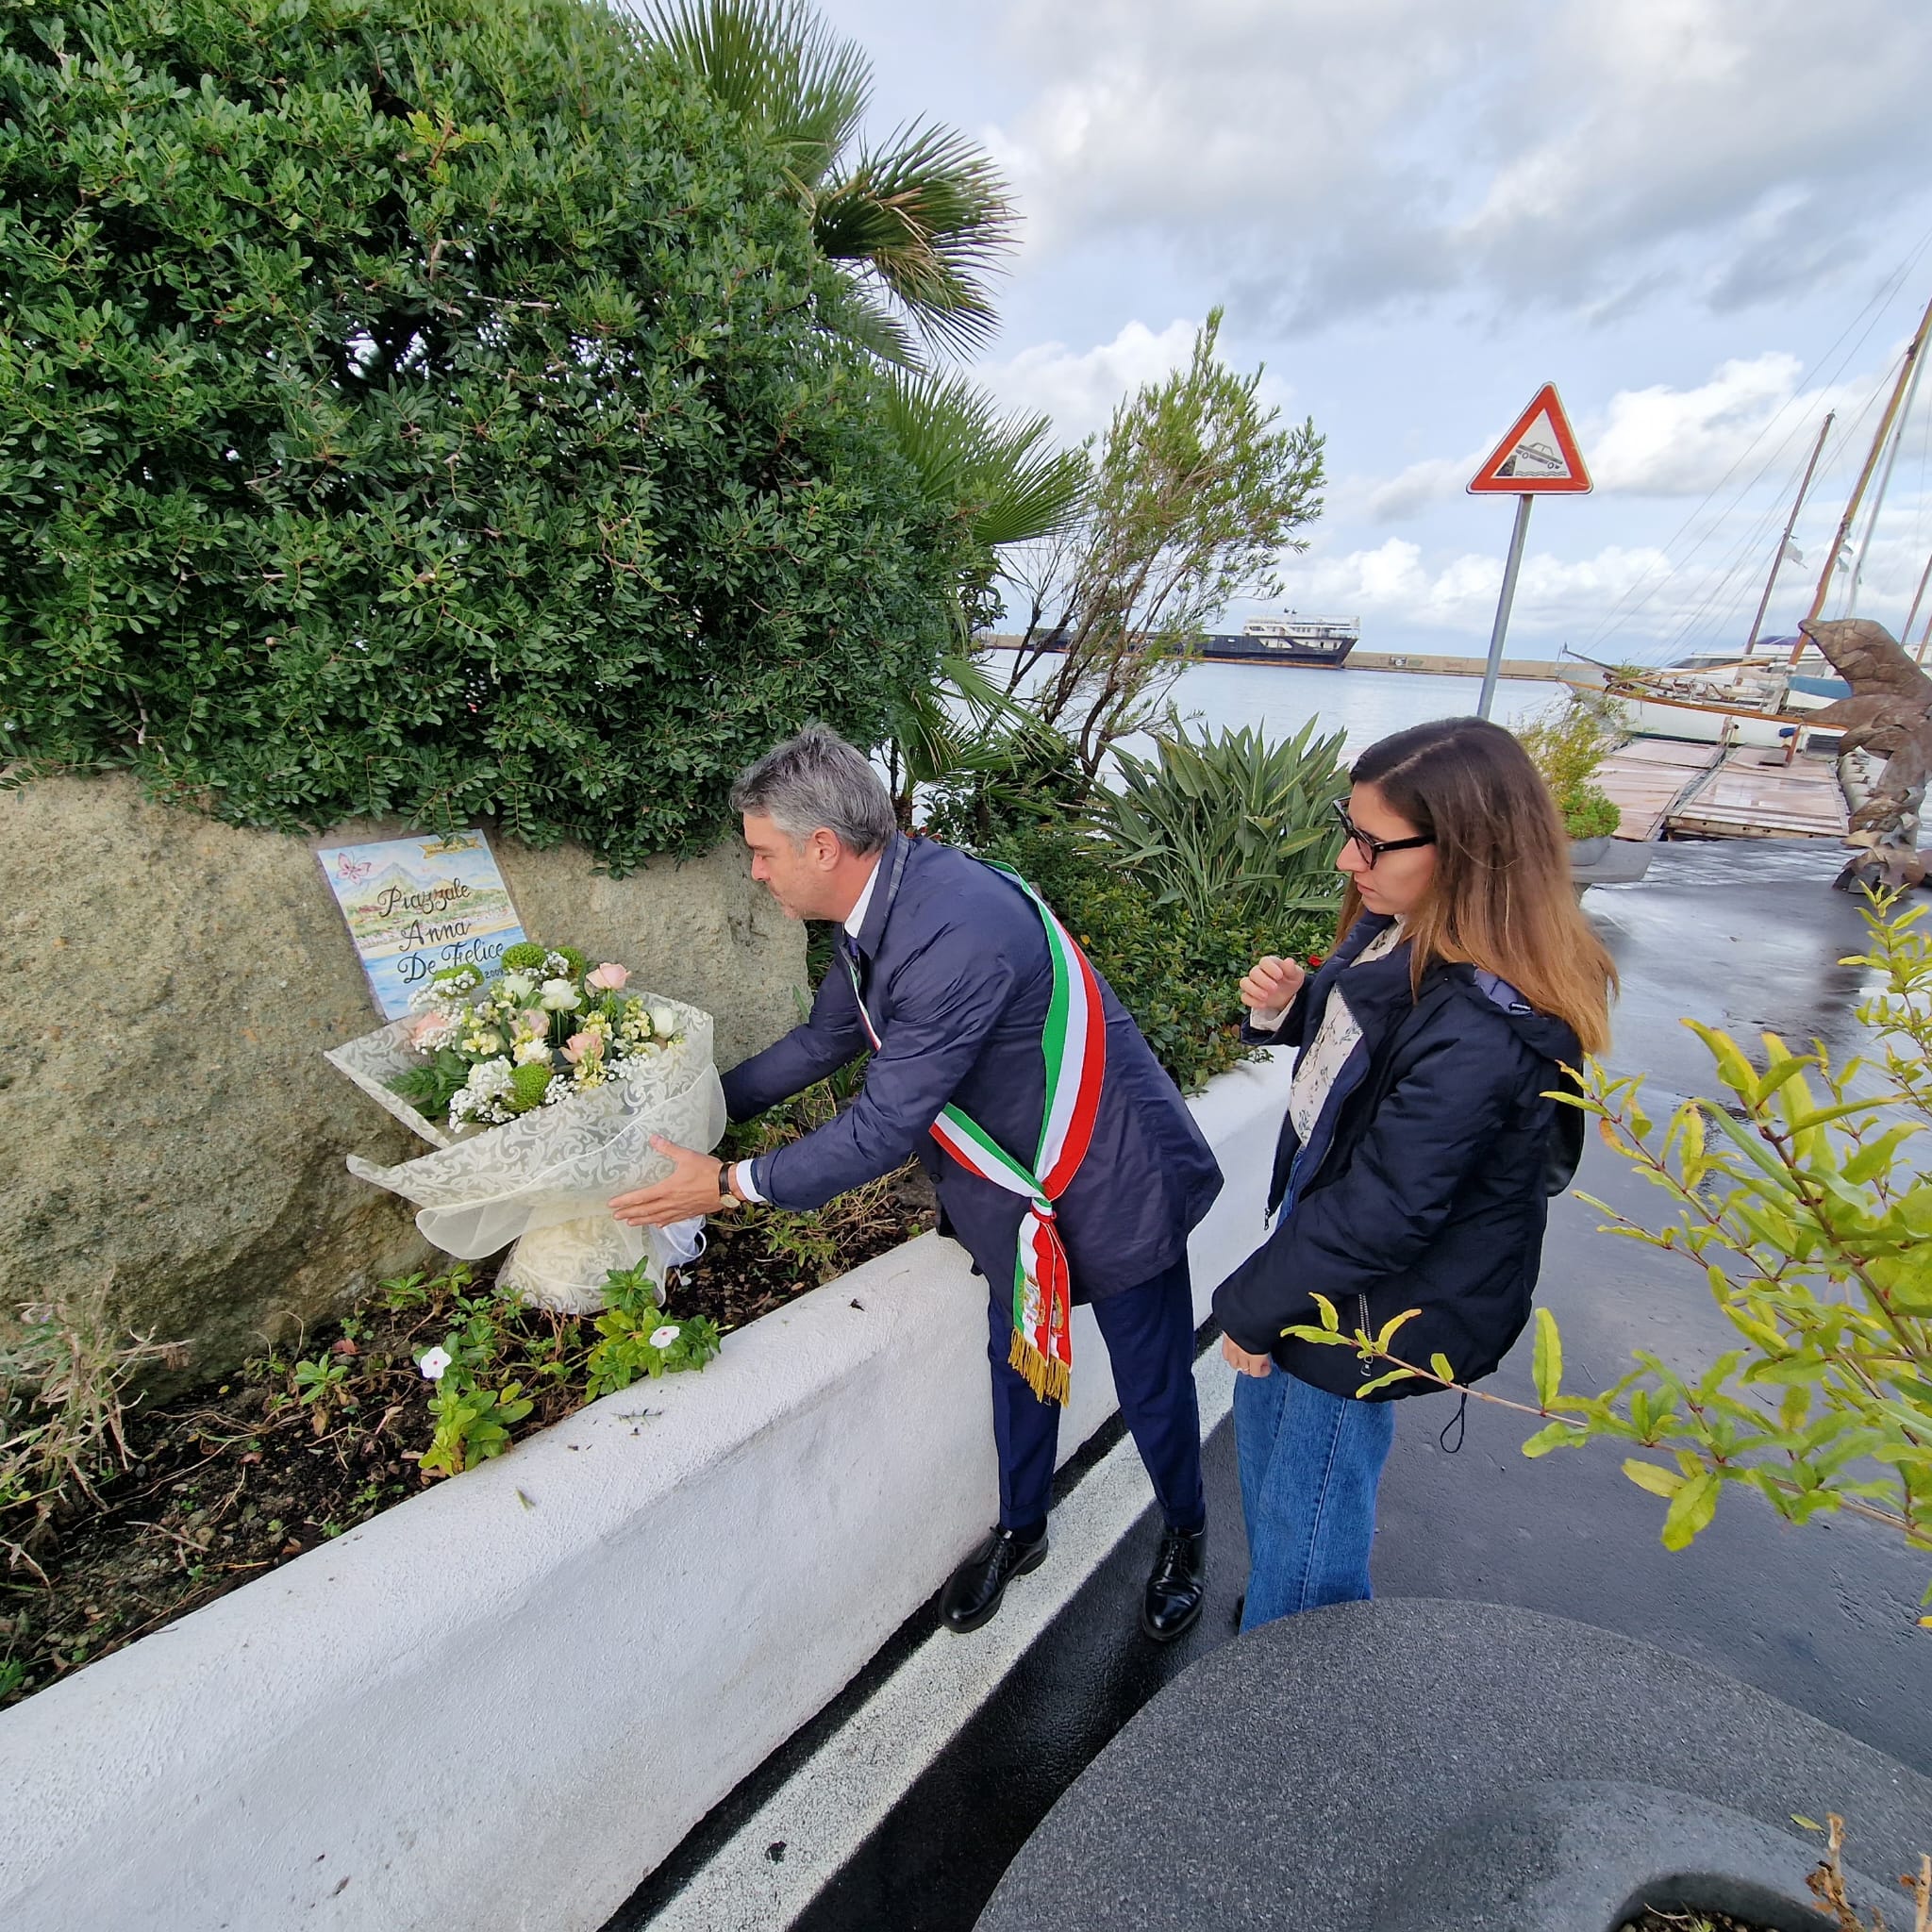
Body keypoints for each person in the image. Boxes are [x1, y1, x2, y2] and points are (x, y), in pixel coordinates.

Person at [611, 725, 1225, 1641]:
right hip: (1010, 1189)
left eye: (762, 852)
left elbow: (881, 1127)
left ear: (823, 846)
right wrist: (694, 1112)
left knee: (1151, 1381)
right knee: (1020, 1366)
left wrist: (731, 1182)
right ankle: (1022, 1527)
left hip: (1108, 1175)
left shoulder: (954, 932)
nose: (756, 871)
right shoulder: (886, 900)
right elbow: (825, 1040)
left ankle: (1183, 1529)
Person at [1212, 716, 1616, 1632]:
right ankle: (1277, 1640)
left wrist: (1250, 1305)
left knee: (1308, 1515)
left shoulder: (1481, 1023)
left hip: (1375, 1294)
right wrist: (1289, 1011)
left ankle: (1297, 1671)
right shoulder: (1402, 929)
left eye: (1371, 842)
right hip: (1331, 1253)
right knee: (1273, 1465)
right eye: (1346, 828)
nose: (1346, 859)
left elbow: (1383, 1208)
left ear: (1464, 848)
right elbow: (1368, 1059)